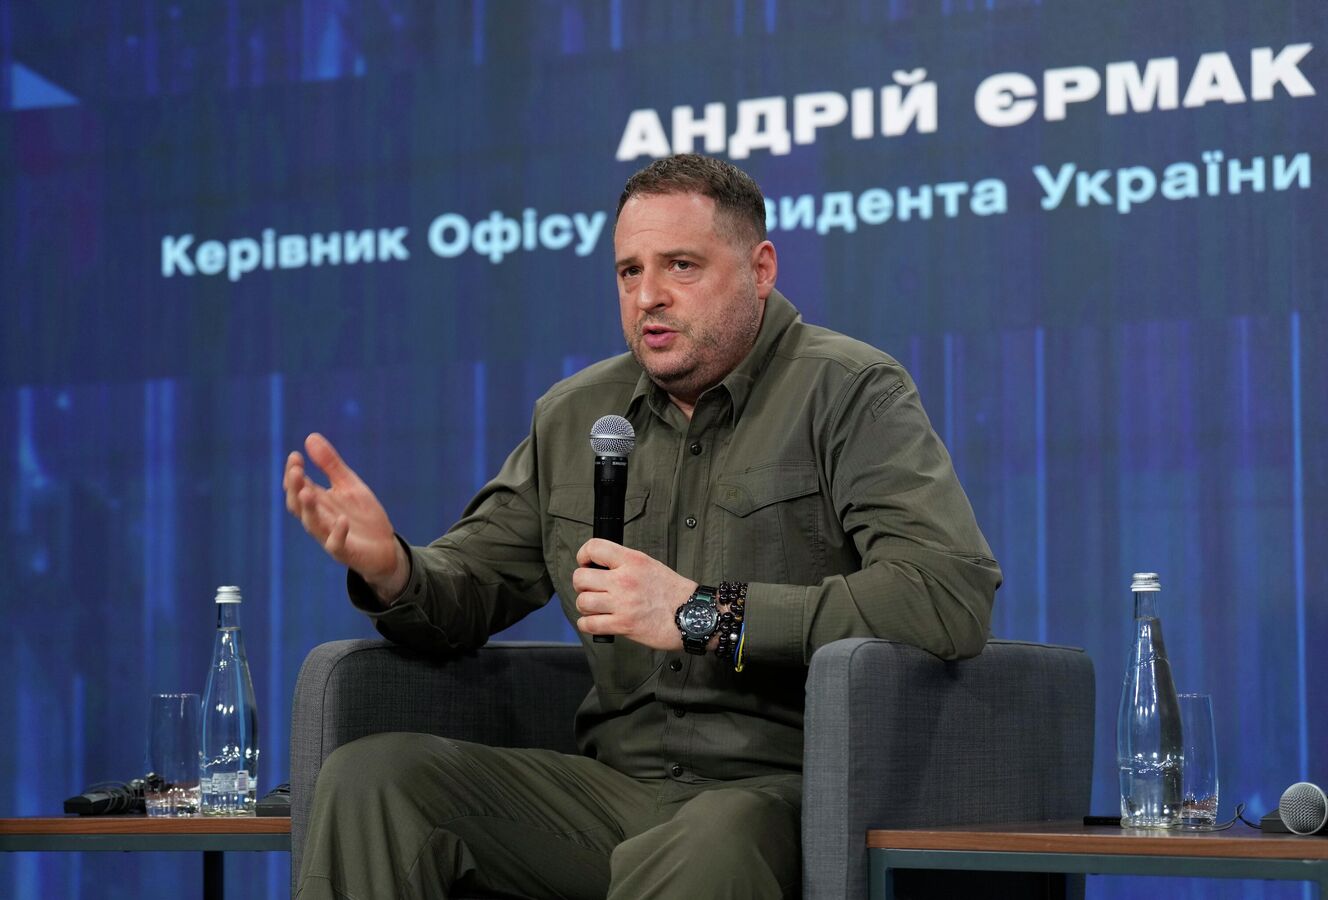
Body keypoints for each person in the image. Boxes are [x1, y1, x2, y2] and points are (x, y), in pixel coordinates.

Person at [284, 153, 1001, 900]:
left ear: (760, 269)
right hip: (613, 790)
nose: (648, 296)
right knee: (374, 780)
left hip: (779, 790)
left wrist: (702, 613)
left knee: (711, 841)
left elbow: (944, 593)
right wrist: (393, 570)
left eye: (680, 266)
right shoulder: (575, 414)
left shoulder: (849, 391)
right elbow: (470, 585)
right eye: (629, 272)